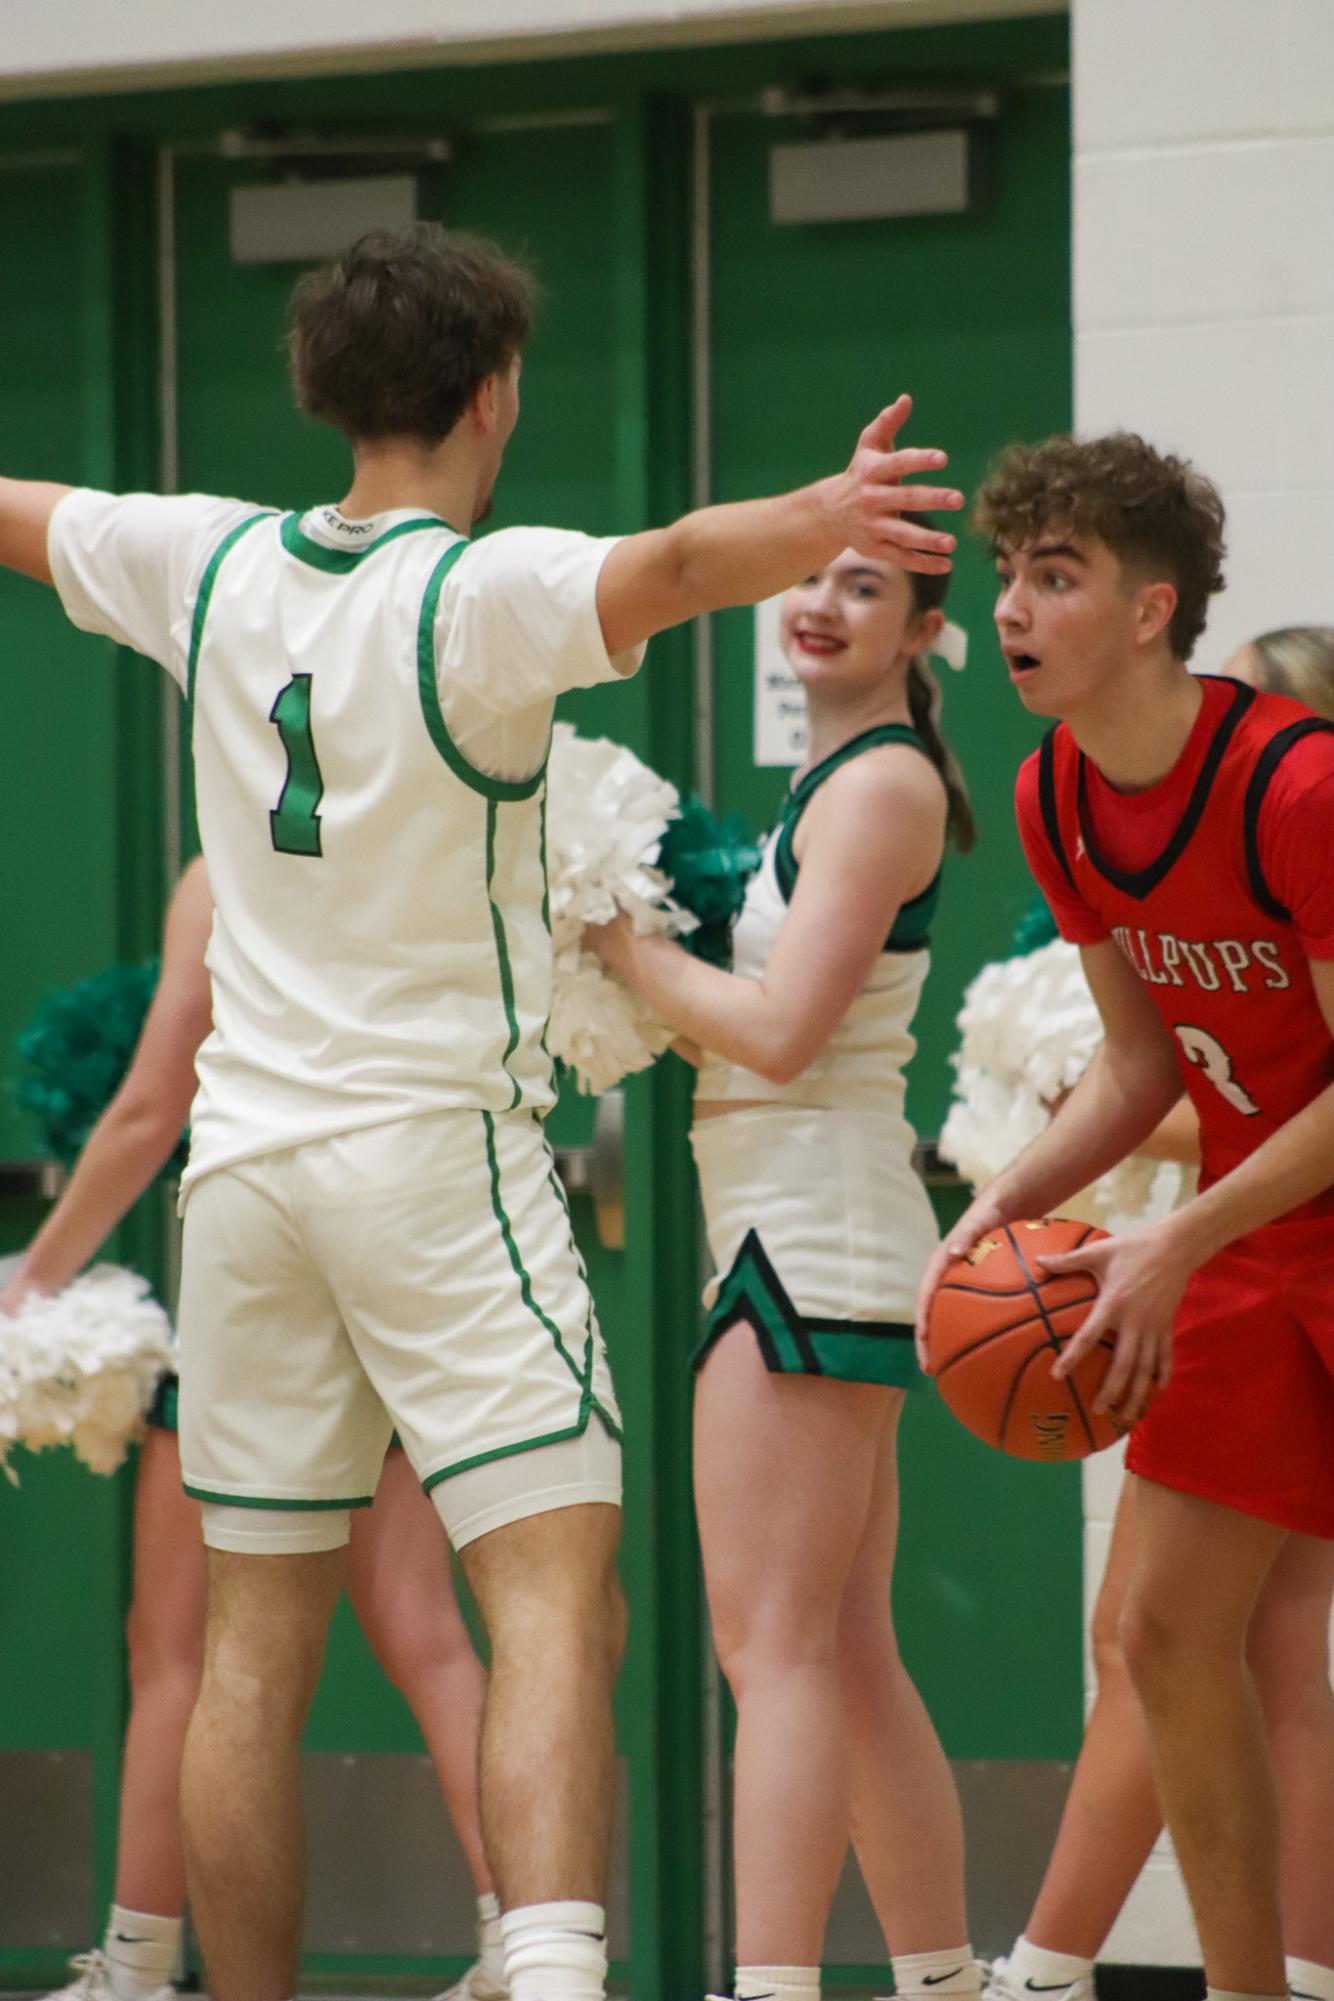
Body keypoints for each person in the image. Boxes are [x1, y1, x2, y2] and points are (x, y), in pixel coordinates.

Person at [0, 221, 963, 2001]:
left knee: (243, 1660)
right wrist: (827, 508)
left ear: (317, 390)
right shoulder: (481, 590)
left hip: (246, 1179)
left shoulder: (198, 558)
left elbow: (21, 508)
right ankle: (548, 1973)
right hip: (431, 1153)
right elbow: (676, 562)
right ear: (495, 391)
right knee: (548, 1605)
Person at [915, 433, 1334, 2001]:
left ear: (1151, 608)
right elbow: (1141, 1060)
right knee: (1163, 1639)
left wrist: (1177, 1231)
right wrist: (1001, 1202)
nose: (1013, 609)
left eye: (1055, 575)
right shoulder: (1054, 795)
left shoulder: (1295, 783)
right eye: (1007, 576)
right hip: (1251, 1238)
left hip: (1262, 1218)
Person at [0, 855, 504, 2001]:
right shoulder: (422, 824)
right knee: (427, 1633)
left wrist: (35, 1273)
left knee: (179, 1646)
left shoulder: (220, 865)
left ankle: (136, 1967)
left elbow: (146, 1111)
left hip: (268, 1268)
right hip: (404, 1251)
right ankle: (519, 1947)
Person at [587, 543, 977, 2001]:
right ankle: (941, 1980)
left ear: (922, 631)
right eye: (807, 575)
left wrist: (621, 947)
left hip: (804, 1239)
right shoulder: (846, 782)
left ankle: (771, 1985)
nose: (818, 600)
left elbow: (781, 1029)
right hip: (805, 1229)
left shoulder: (881, 783)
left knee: (773, 1650)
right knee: (842, 1651)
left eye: (864, 586)